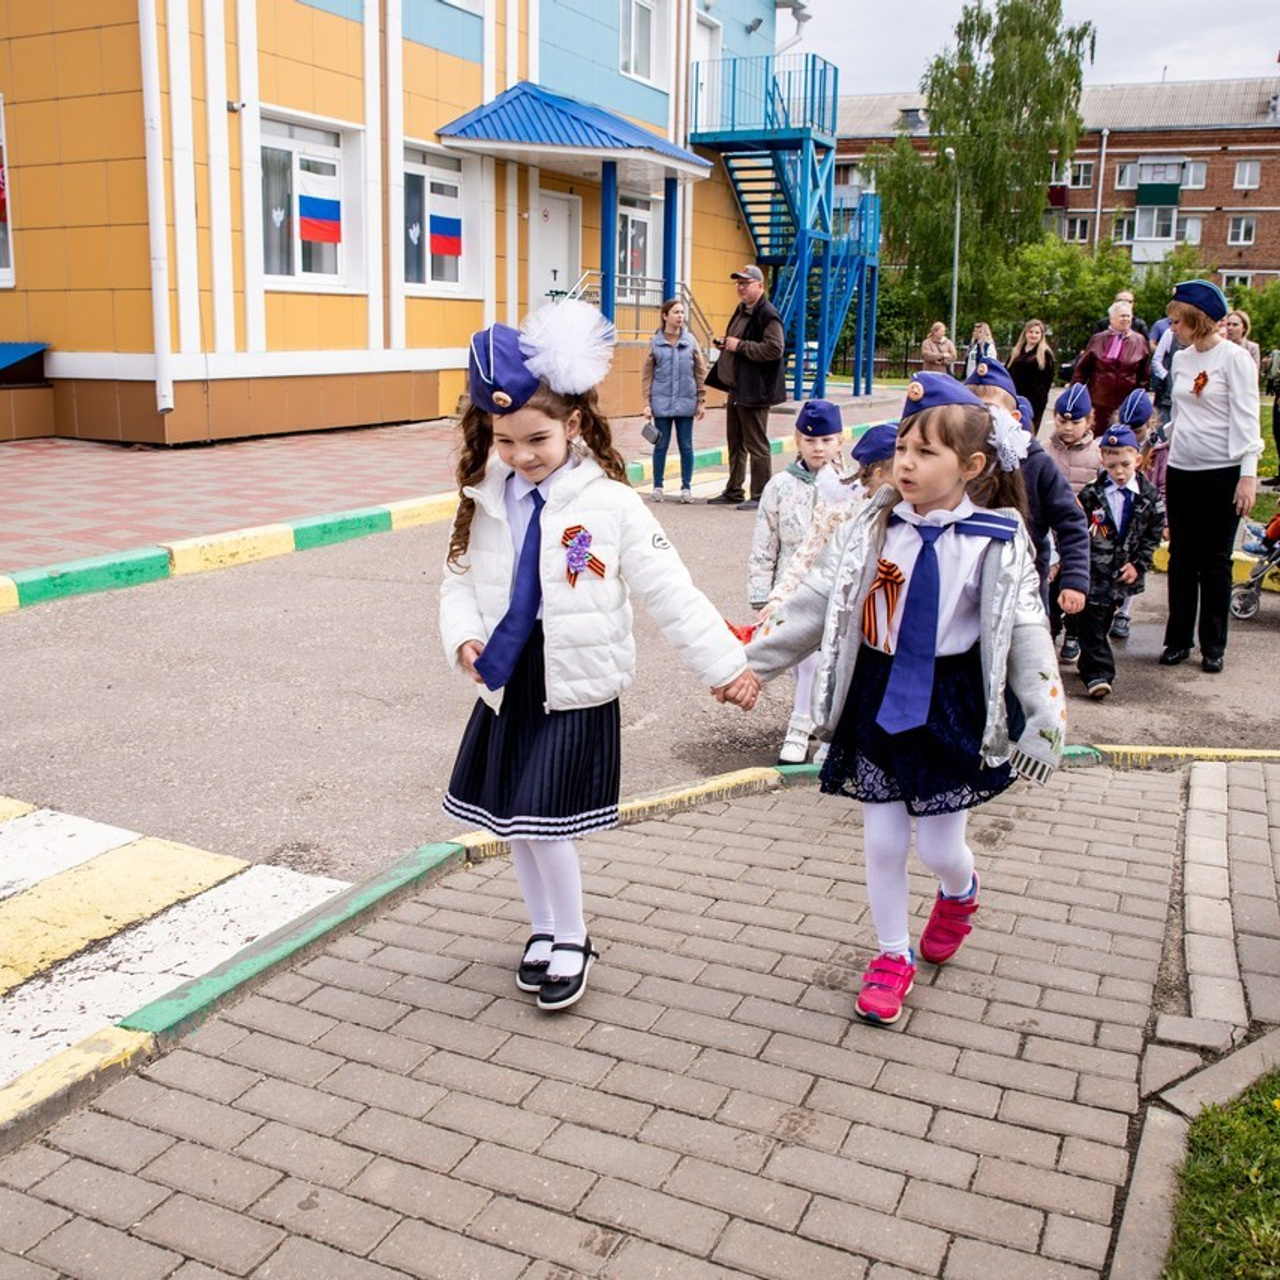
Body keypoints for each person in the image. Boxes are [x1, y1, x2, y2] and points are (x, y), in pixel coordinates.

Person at [439, 300, 757, 1012]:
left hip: (574, 684)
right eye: (506, 440)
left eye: (536, 439)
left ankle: (574, 936)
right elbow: (458, 579)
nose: (521, 456)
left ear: (574, 424)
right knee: (512, 824)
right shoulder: (489, 495)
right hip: (507, 680)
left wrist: (725, 666)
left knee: (544, 824)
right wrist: (462, 636)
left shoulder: (608, 504)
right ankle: (543, 929)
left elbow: (670, 590)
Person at [746, 374, 1065, 1026]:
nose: (906, 463)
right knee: (884, 841)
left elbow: (1028, 633)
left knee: (939, 848)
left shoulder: (996, 540)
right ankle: (892, 956)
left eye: (926, 453)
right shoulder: (873, 524)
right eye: (904, 448)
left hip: (951, 701)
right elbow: (815, 605)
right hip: (880, 694)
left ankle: (960, 890)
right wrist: (751, 666)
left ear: (971, 466)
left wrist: (1046, 716)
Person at [1159, 280, 1263, 674]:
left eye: (1177, 320)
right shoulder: (1182, 359)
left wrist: (1248, 475)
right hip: (1182, 468)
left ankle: (1213, 645)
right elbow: (1182, 412)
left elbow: (1247, 419)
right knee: (1181, 557)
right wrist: (1163, 439)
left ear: (1197, 320)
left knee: (1215, 561)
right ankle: (1178, 639)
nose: (1171, 327)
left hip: (1222, 472)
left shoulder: (1235, 359)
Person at [747, 400, 845, 763]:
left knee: (832, 664)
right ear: (797, 442)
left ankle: (816, 730)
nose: (818, 447)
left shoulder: (853, 484)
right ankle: (803, 727)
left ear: (840, 441)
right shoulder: (779, 487)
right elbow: (765, 544)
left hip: (836, 591)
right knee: (803, 662)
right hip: (790, 591)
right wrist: (762, 597)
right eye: (809, 440)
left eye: (827, 440)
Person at [966, 362, 1090, 632]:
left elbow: (1071, 521)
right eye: (970, 411)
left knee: (1028, 650)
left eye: (988, 410)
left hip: (1027, 580)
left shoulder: (1037, 464)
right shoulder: (958, 460)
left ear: (1013, 417)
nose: (979, 419)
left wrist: (1075, 579)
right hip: (968, 581)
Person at [1075, 425, 1166, 699]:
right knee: (1091, 621)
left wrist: (1138, 564)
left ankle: (1087, 661)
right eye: (1112, 465)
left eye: (1125, 464)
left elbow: (1153, 535)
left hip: (1122, 575)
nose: (1119, 472)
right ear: (1103, 462)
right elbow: (1080, 531)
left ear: (1138, 459)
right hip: (1094, 571)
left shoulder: (1149, 496)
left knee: (1101, 623)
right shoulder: (1091, 494)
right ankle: (1099, 675)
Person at [705, 264, 786, 511]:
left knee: (756, 444)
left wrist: (738, 346)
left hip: (755, 390)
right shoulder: (742, 310)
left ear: (760, 286)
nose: (741, 287)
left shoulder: (767, 314)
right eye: (738, 283)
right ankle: (734, 490)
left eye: (746, 283)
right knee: (735, 442)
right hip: (737, 388)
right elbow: (738, 342)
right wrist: (726, 344)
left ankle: (761, 494)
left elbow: (774, 349)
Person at [1043, 384, 1100, 663]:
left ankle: (1073, 636)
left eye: (1075, 422)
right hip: (1050, 537)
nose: (1067, 427)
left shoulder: (1099, 455)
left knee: (1077, 590)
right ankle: (1048, 637)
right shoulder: (1044, 452)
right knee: (1051, 593)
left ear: (1089, 421)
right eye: (1062, 420)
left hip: (1083, 536)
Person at [1108, 389, 1163, 641]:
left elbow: (1163, 485)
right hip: (1116, 511)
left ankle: (1124, 612)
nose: (1131, 435)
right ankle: (1107, 604)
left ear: (1149, 425)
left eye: (1137, 431)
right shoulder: (1113, 441)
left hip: (1143, 516)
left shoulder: (1160, 450)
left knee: (1134, 563)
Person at [642, 297, 708, 504]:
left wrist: (701, 400)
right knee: (660, 445)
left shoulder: (690, 341)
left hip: (686, 401)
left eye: (682, 312)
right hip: (661, 403)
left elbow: (700, 371)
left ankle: (686, 488)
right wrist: (646, 402)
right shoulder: (655, 342)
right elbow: (647, 374)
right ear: (665, 316)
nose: (680, 316)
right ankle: (658, 486)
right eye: (676, 312)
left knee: (686, 446)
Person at [1073, 299, 1151, 436]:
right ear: (1112, 318)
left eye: (1128, 315)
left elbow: (1143, 375)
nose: (1125, 319)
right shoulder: (1098, 339)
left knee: (1120, 438)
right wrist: (1074, 395)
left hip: (1124, 402)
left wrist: (1139, 398)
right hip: (1098, 400)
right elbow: (1082, 370)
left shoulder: (1139, 340)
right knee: (1095, 435)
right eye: (1122, 316)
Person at [1007, 318, 1056, 430]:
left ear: (1041, 335)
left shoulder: (1045, 354)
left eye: (1037, 333)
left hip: (1034, 401)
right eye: (1031, 332)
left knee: (1028, 430)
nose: (1033, 335)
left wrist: (1041, 399)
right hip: (1014, 397)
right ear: (1025, 333)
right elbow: (1008, 372)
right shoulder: (1016, 352)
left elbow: (1047, 380)